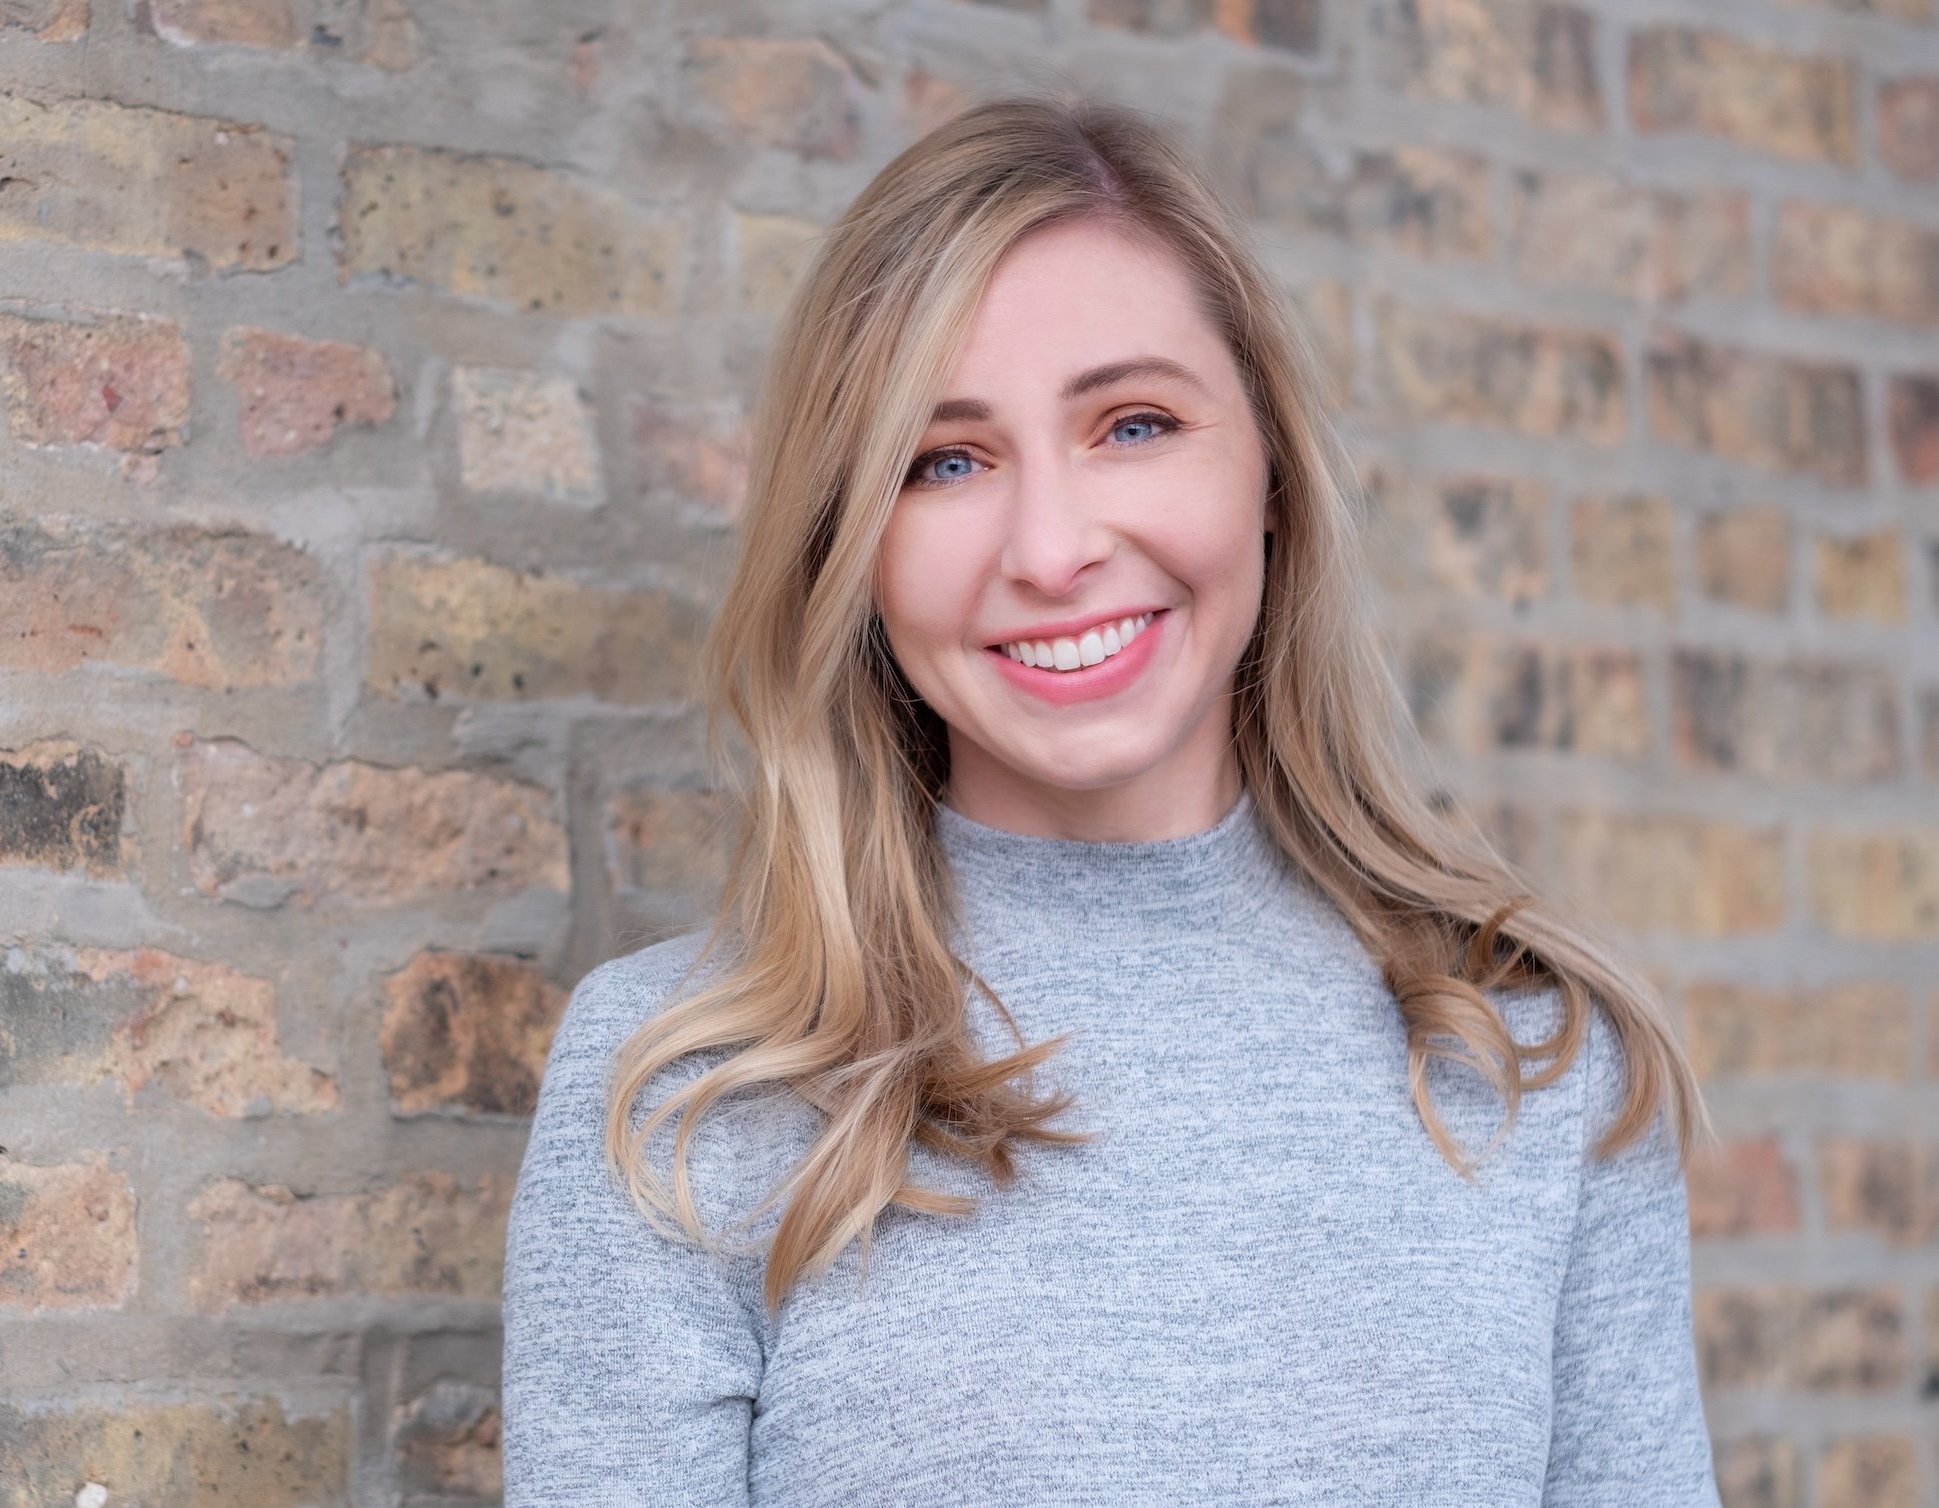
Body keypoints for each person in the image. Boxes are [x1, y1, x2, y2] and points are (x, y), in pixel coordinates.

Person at [502, 91, 1720, 1506]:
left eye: (1134, 424)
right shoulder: (689, 1093)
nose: (1053, 547)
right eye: (944, 461)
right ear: (853, 547)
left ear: (1267, 469)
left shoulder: (1543, 1056)